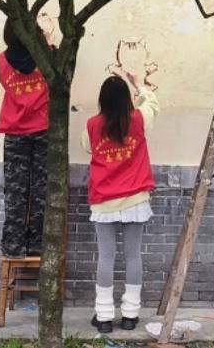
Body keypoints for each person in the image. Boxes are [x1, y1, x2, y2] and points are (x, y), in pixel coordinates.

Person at [83, 73, 159, 333]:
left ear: (102, 100)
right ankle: (130, 315)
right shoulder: (138, 120)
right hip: (135, 198)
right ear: (126, 98)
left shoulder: (92, 125)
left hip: (104, 200)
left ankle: (104, 317)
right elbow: (153, 103)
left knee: (106, 257)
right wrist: (139, 86)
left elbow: (87, 147)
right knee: (133, 256)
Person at [0, 19, 49, 257]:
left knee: (15, 191)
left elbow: (5, 83)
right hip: (43, 128)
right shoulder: (47, 57)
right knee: (42, 189)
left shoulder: (2, 60)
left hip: (14, 129)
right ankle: (38, 243)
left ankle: (13, 245)